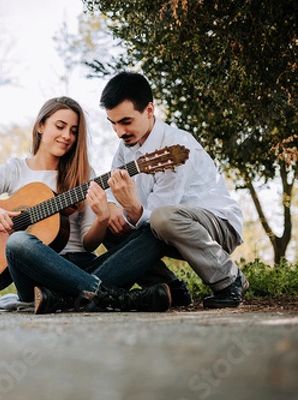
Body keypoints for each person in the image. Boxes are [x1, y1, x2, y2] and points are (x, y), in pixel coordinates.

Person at [0, 96, 171, 314]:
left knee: (153, 231)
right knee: (17, 242)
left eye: (73, 131)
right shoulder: (15, 170)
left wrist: (102, 218)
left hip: (82, 268)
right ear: (41, 126)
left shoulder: (85, 175)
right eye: (60, 126)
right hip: (35, 274)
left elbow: (88, 244)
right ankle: (110, 296)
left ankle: (66, 299)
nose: (67, 136)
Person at [99, 71, 249, 308]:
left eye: (126, 122)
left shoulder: (176, 146)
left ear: (149, 110)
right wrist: (111, 207)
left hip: (216, 227)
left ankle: (229, 279)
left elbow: (159, 214)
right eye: (113, 124)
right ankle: (171, 288)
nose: (119, 132)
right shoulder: (125, 147)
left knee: (162, 218)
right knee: (108, 223)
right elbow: (110, 187)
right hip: (166, 230)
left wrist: (132, 208)